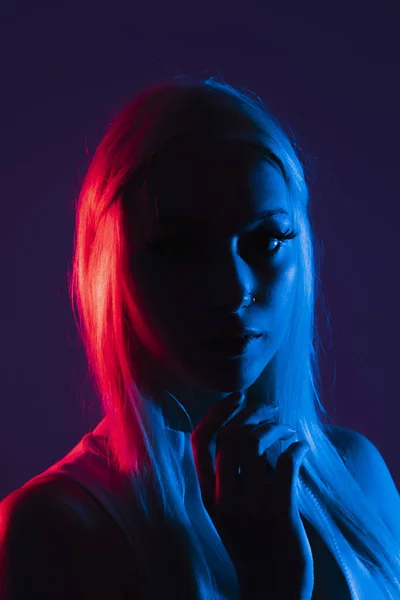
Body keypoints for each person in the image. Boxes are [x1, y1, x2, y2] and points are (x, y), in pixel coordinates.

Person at [1, 75, 399, 600]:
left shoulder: (358, 475)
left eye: (266, 239)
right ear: (111, 267)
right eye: (179, 248)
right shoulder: (54, 529)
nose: (233, 288)